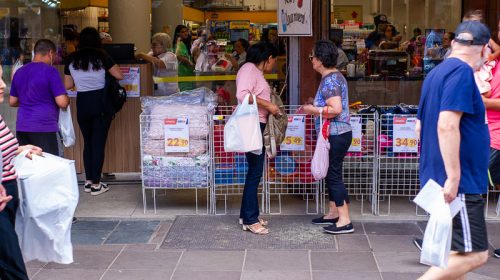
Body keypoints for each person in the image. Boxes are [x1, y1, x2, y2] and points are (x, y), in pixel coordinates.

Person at [415, 20, 491, 279]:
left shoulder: (436, 73)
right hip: (459, 183)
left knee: (457, 252)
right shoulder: (461, 73)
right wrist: (454, 177)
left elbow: (419, 126)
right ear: (483, 50)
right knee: (475, 254)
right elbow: (446, 124)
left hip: (442, 179)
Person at [302, 40, 354, 234]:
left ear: (321, 59)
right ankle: (333, 212)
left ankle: (345, 219)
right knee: (333, 173)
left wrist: (311, 109)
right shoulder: (334, 77)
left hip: (336, 133)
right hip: (338, 133)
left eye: (312, 57)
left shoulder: (331, 80)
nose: (311, 60)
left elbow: (335, 109)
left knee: (333, 175)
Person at [64, 27, 123, 196]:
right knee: (98, 143)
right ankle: (97, 184)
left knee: (88, 142)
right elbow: (119, 75)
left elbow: (67, 85)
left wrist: (81, 81)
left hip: (83, 102)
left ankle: (88, 181)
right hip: (101, 102)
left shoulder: (71, 59)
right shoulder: (103, 56)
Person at [0, 63, 43, 280]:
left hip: (7, 197)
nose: (3, 85)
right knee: (13, 267)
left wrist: (20, 149)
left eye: (1, 78)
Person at [236, 41, 280, 235]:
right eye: (274, 61)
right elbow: (242, 95)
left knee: (254, 171)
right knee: (255, 172)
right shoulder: (248, 69)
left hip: (257, 123)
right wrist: (269, 105)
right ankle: (251, 220)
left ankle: (246, 215)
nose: (274, 65)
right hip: (253, 124)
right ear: (268, 58)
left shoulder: (254, 71)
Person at [9, 39, 70, 156]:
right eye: (55, 55)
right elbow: (62, 102)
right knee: (52, 166)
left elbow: (13, 101)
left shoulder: (19, 72)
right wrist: (67, 100)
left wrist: (29, 100)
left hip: (23, 127)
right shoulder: (50, 71)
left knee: (30, 167)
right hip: (45, 127)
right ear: (50, 53)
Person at [479, 18, 500, 259]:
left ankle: (454, 240)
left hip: (494, 137)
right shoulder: (489, 65)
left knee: (470, 186)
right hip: (486, 133)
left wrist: (482, 102)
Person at [173, 25, 194, 92]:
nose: (186, 33)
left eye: (186, 31)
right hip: (183, 74)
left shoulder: (184, 43)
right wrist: (190, 63)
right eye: (183, 32)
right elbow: (179, 56)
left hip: (187, 74)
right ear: (178, 34)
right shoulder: (179, 44)